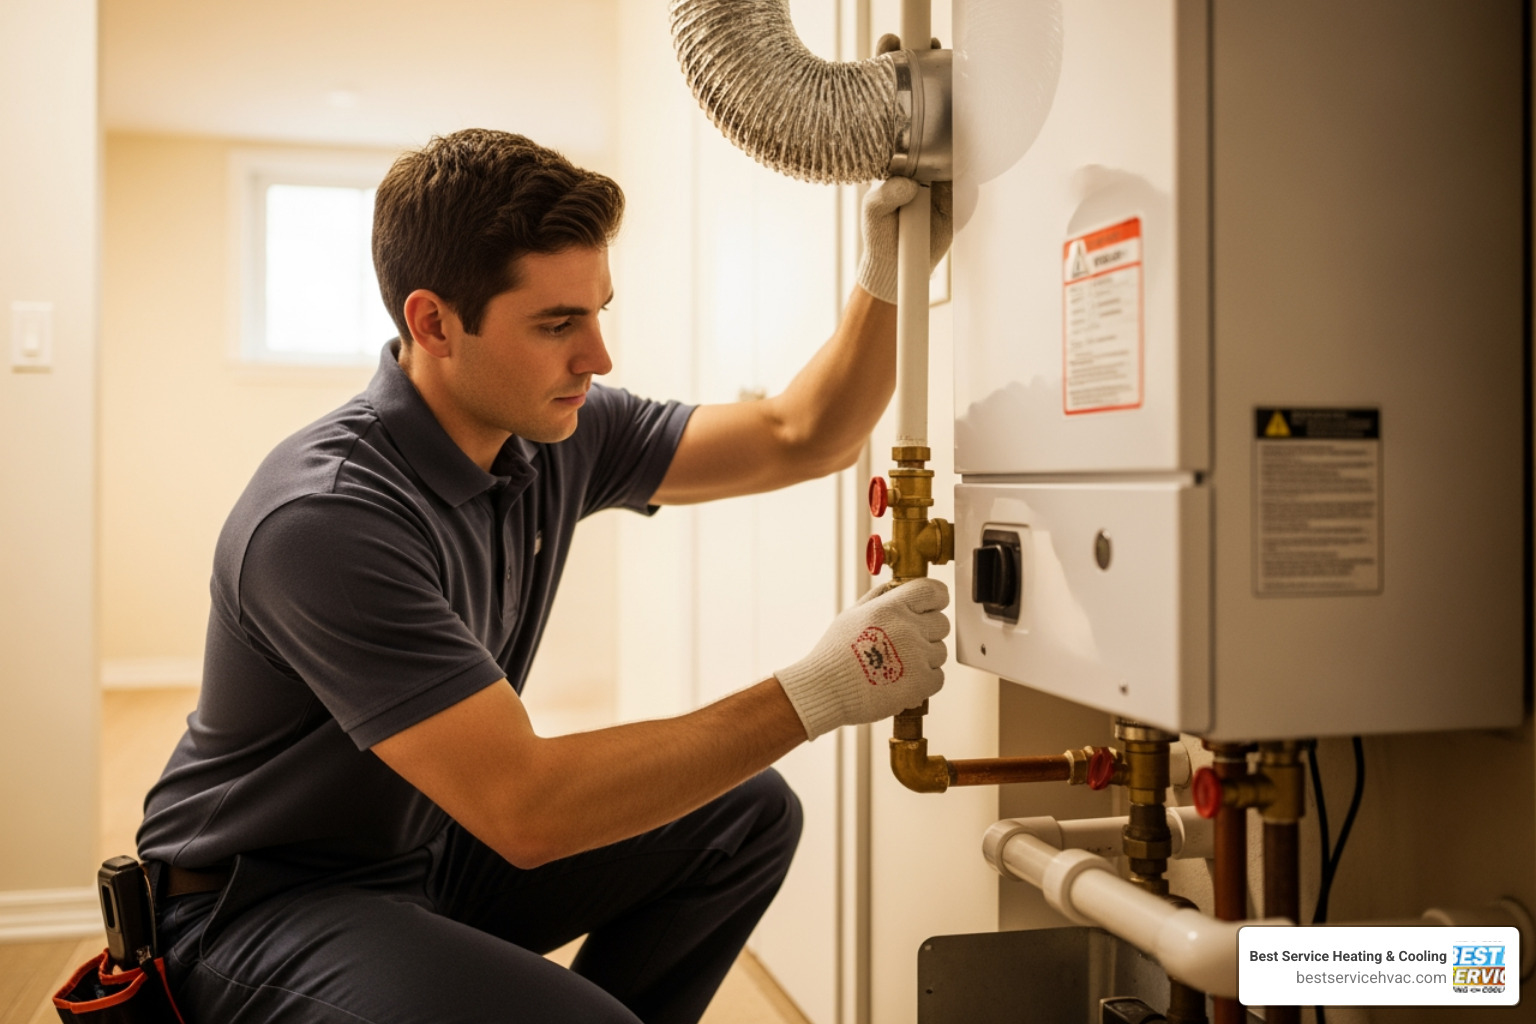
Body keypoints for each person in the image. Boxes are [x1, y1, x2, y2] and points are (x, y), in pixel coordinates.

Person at [136, 128, 952, 1024]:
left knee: (744, 816)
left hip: (426, 854)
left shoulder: (551, 432)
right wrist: (824, 688)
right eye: (558, 324)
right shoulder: (328, 518)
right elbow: (528, 809)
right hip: (254, 906)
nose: (598, 356)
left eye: (598, 311)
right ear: (434, 322)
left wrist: (888, 272)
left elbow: (805, 434)